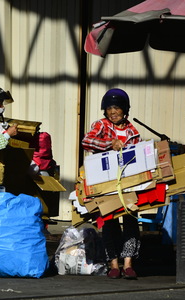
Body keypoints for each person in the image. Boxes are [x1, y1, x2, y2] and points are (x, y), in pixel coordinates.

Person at [81, 88, 141, 279]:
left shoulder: (132, 130)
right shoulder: (101, 125)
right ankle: (113, 264)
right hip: (105, 182)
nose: (113, 112)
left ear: (125, 110)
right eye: (109, 108)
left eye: (117, 108)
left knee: (131, 220)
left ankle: (128, 264)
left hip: (128, 183)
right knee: (109, 222)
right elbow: (87, 141)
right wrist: (110, 144)